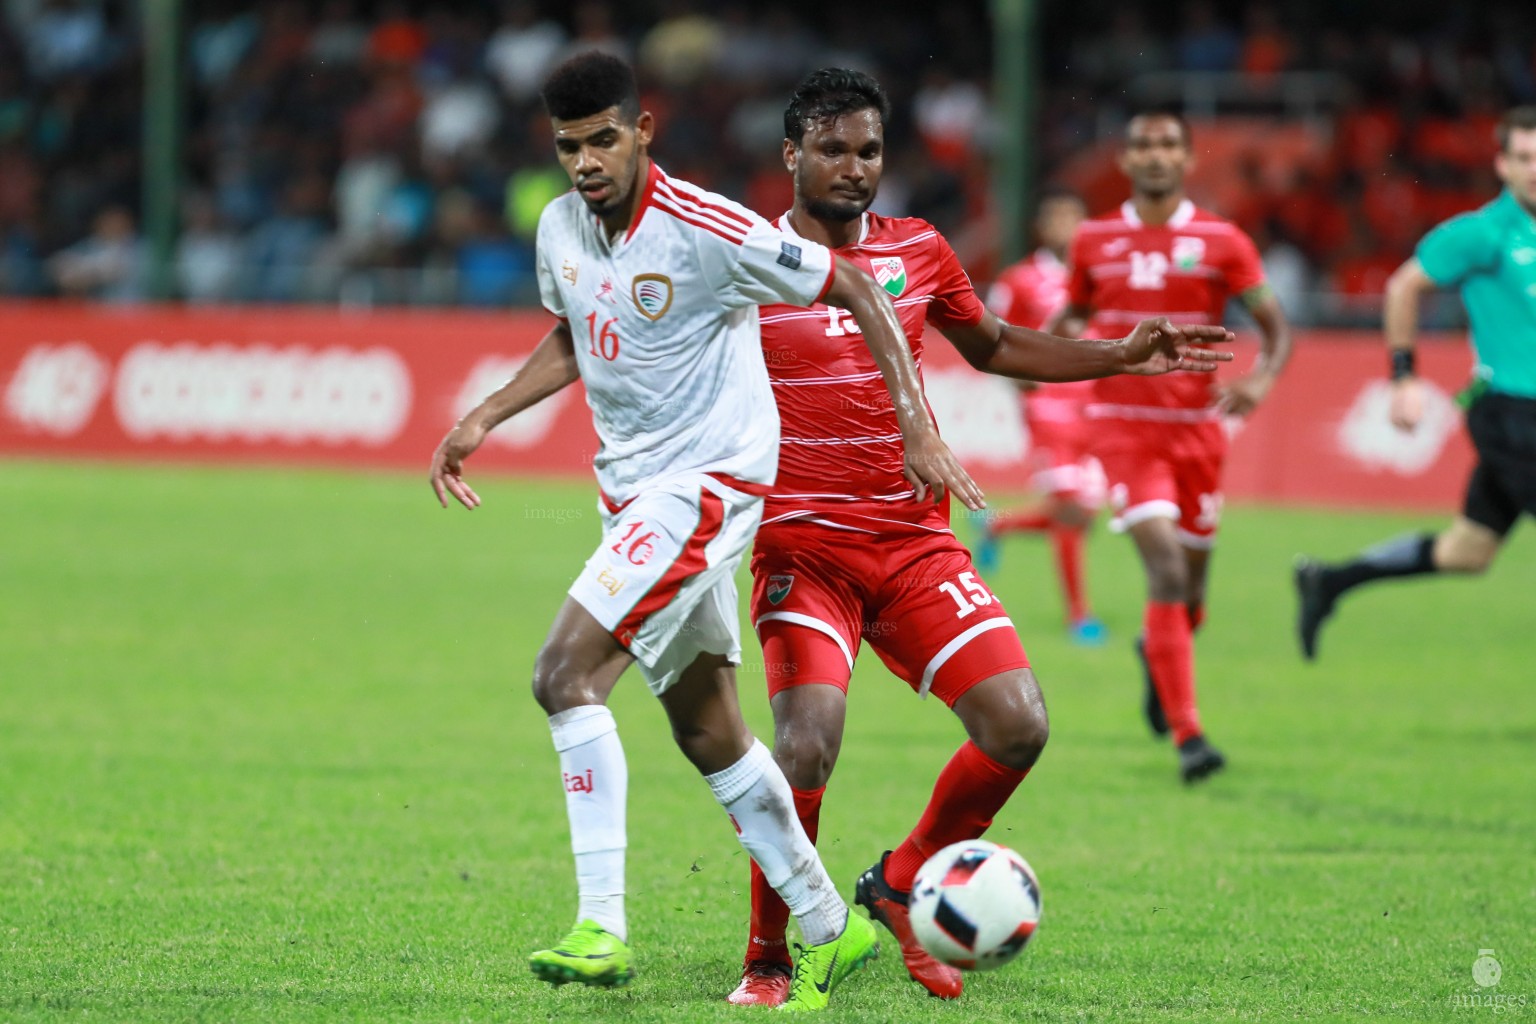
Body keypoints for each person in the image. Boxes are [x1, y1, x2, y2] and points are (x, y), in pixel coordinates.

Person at [428, 52, 982, 1012]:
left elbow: (855, 288)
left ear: (643, 131)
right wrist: (484, 416)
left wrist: (915, 424)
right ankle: (827, 924)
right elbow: (574, 332)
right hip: (633, 494)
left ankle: (602, 926)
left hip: (709, 489)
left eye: (604, 138)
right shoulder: (560, 226)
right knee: (710, 732)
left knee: (563, 675)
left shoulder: (708, 226)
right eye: (568, 145)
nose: (586, 161)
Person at [728, 70, 1237, 1007]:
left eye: (869, 150)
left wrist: (1118, 354)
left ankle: (899, 879)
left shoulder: (918, 248)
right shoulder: (746, 258)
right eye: (832, 149)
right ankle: (768, 955)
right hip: (806, 552)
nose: (853, 167)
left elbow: (996, 345)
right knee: (805, 747)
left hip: (917, 544)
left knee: (1019, 722)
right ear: (792, 154)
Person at [1045, 111, 1292, 783]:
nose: (1156, 156)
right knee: (1166, 569)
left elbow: (1275, 327)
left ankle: (1159, 654)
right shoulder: (1094, 239)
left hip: (1197, 434)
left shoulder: (1222, 240)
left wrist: (1260, 382)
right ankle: (1191, 737)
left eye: (1168, 145)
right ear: (1125, 160)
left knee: (1192, 595)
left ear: (1186, 159)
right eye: (1144, 145)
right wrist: (1050, 335)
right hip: (1123, 429)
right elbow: (1072, 311)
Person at [1294, 107, 1536, 659]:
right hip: (1513, 413)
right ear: (1501, 164)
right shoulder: (1482, 233)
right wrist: (1404, 378)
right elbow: (1404, 287)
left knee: (1468, 551)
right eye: (1523, 157)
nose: (1534, 168)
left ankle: (1329, 581)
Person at [977, 187, 1108, 646]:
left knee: (1082, 516)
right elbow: (992, 336)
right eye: (1059, 221)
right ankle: (1080, 616)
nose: (1069, 231)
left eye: (1076, 221)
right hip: (1049, 407)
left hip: (1097, 408)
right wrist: (1021, 383)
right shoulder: (1020, 280)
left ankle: (998, 524)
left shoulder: (1099, 278)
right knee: (1070, 510)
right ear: (1044, 228)